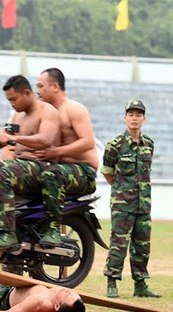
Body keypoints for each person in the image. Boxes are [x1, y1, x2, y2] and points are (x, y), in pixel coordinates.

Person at [0, 75, 60, 251]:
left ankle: (8, 232)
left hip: (39, 166)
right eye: (9, 100)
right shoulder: (17, 116)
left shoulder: (47, 111)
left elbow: (46, 139)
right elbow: (5, 134)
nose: (11, 103)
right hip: (19, 165)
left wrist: (13, 139)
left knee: (0, 176)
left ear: (27, 93)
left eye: (14, 99)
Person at [31, 68, 99, 248]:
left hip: (82, 171)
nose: (37, 90)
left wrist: (56, 152)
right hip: (57, 169)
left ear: (55, 86)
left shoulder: (73, 109)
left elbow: (88, 142)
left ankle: (53, 228)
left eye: (41, 86)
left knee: (51, 175)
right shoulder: (44, 112)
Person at [101, 99, 161, 299]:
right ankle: (112, 282)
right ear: (125, 117)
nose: (134, 118)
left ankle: (140, 284)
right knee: (119, 243)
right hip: (122, 204)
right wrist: (121, 190)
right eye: (131, 114)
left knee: (142, 244)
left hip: (143, 204)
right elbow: (107, 172)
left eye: (138, 114)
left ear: (144, 118)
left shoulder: (149, 145)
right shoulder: (115, 145)